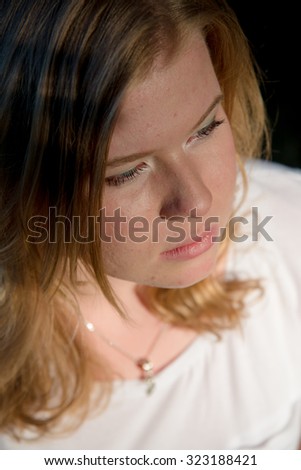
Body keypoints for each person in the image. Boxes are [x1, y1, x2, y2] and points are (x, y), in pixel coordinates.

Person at [0, 0, 301, 451]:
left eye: (204, 129)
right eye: (125, 172)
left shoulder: (290, 233)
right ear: (19, 184)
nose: (196, 201)